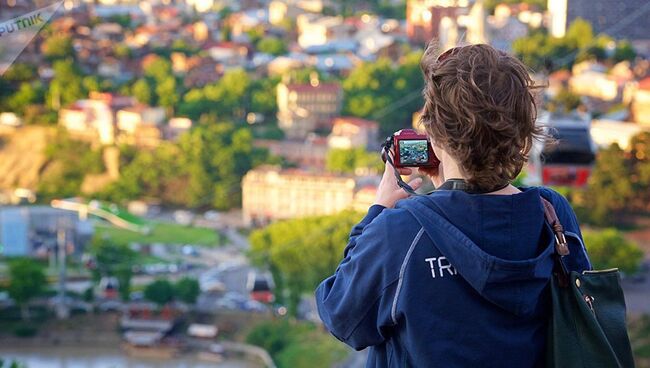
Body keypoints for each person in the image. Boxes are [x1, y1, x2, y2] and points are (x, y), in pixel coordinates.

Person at [314, 43, 592, 367]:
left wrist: (377, 213)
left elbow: (341, 315)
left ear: (435, 134)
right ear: (522, 134)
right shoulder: (552, 214)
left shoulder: (400, 232)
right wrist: (447, 185)